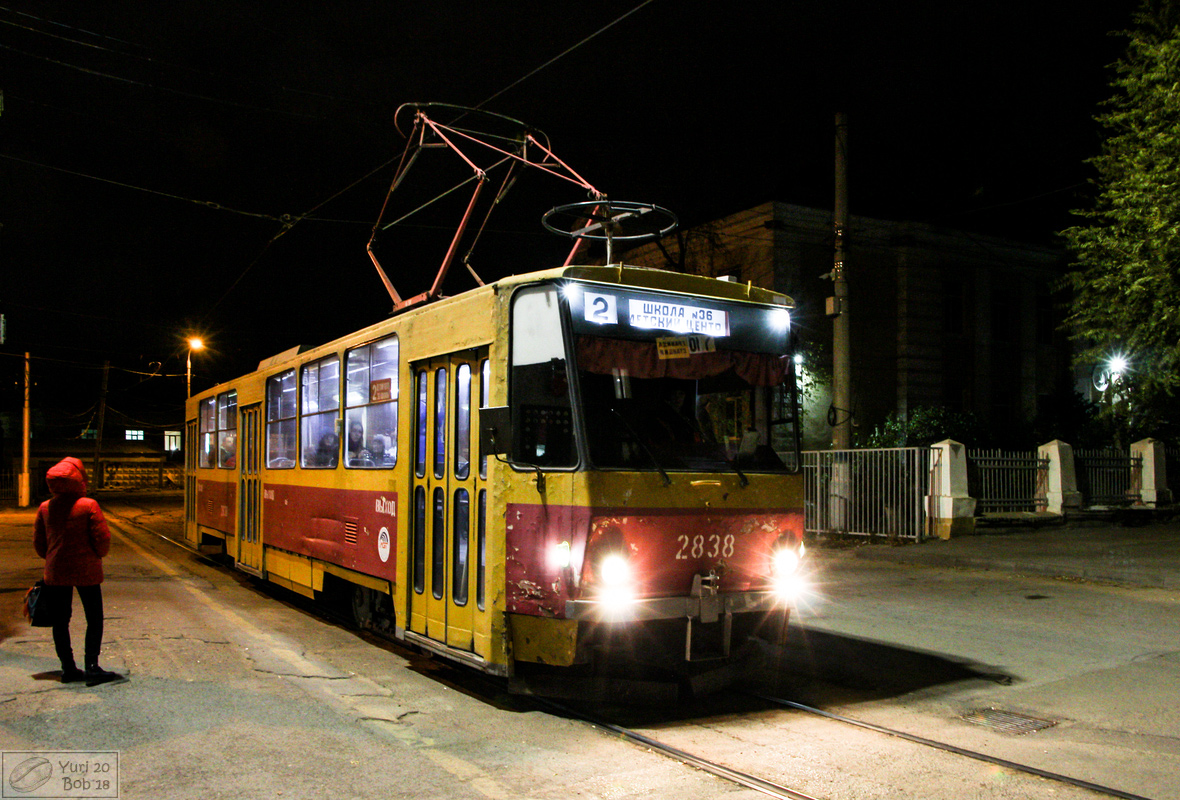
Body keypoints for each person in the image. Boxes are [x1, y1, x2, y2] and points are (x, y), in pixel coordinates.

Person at [32, 457, 120, 684]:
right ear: (79, 479)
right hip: (87, 571)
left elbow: (39, 544)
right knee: (94, 617)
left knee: (60, 621)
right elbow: (102, 538)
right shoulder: (88, 505)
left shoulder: (45, 508)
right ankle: (92, 667)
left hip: (56, 572)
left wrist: (53, 558)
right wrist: (98, 555)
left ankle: (68, 669)